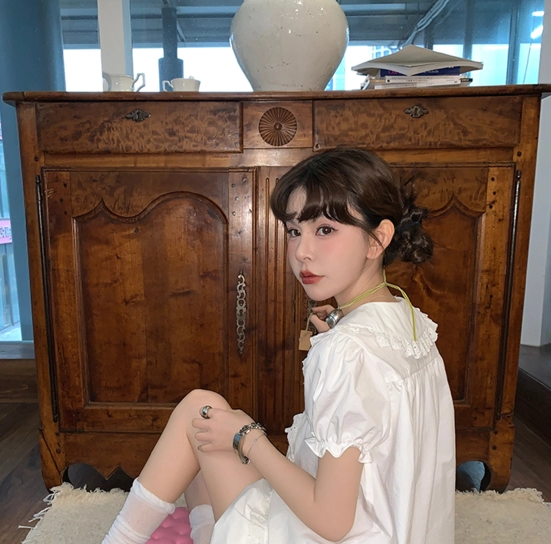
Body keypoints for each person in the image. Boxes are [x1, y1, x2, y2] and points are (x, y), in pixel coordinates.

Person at [102, 147, 456, 544]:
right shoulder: (411, 322)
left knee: (199, 413)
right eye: (294, 231)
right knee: (202, 449)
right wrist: (340, 330)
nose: (302, 251)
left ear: (378, 239)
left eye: (325, 230)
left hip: (334, 532)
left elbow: (331, 521)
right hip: (399, 531)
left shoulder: (348, 351)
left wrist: (248, 437)